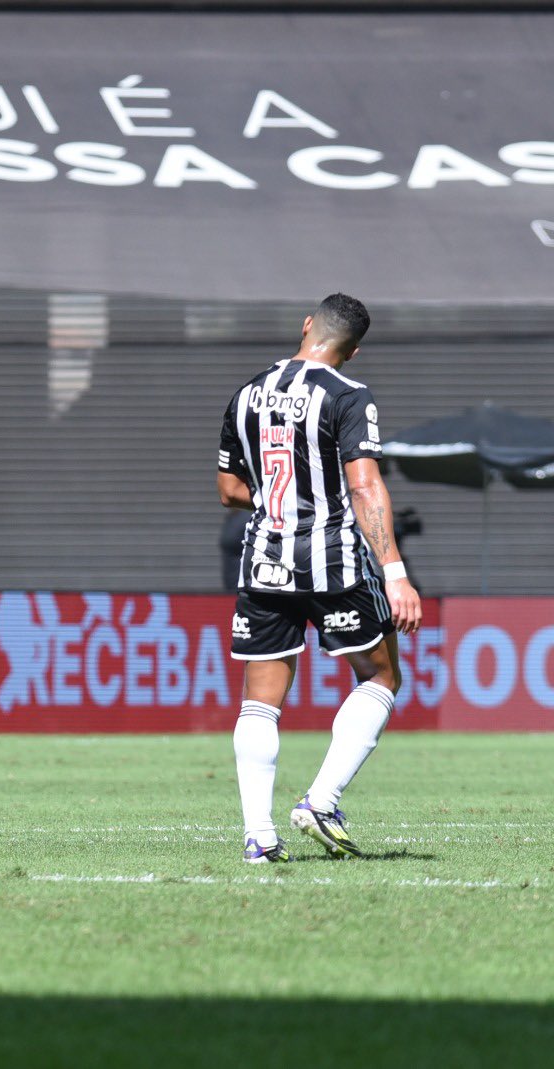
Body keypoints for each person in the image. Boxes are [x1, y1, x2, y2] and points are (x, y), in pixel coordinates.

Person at [217, 293, 423, 864]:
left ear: (306, 326)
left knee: (260, 703)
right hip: (331, 562)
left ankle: (259, 837)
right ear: (351, 351)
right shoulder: (348, 395)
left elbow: (230, 490)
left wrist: (278, 498)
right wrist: (396, 575)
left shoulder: (245, 395)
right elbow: (364, 487)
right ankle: (321, 801)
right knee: (381, 677)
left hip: (263, 561)